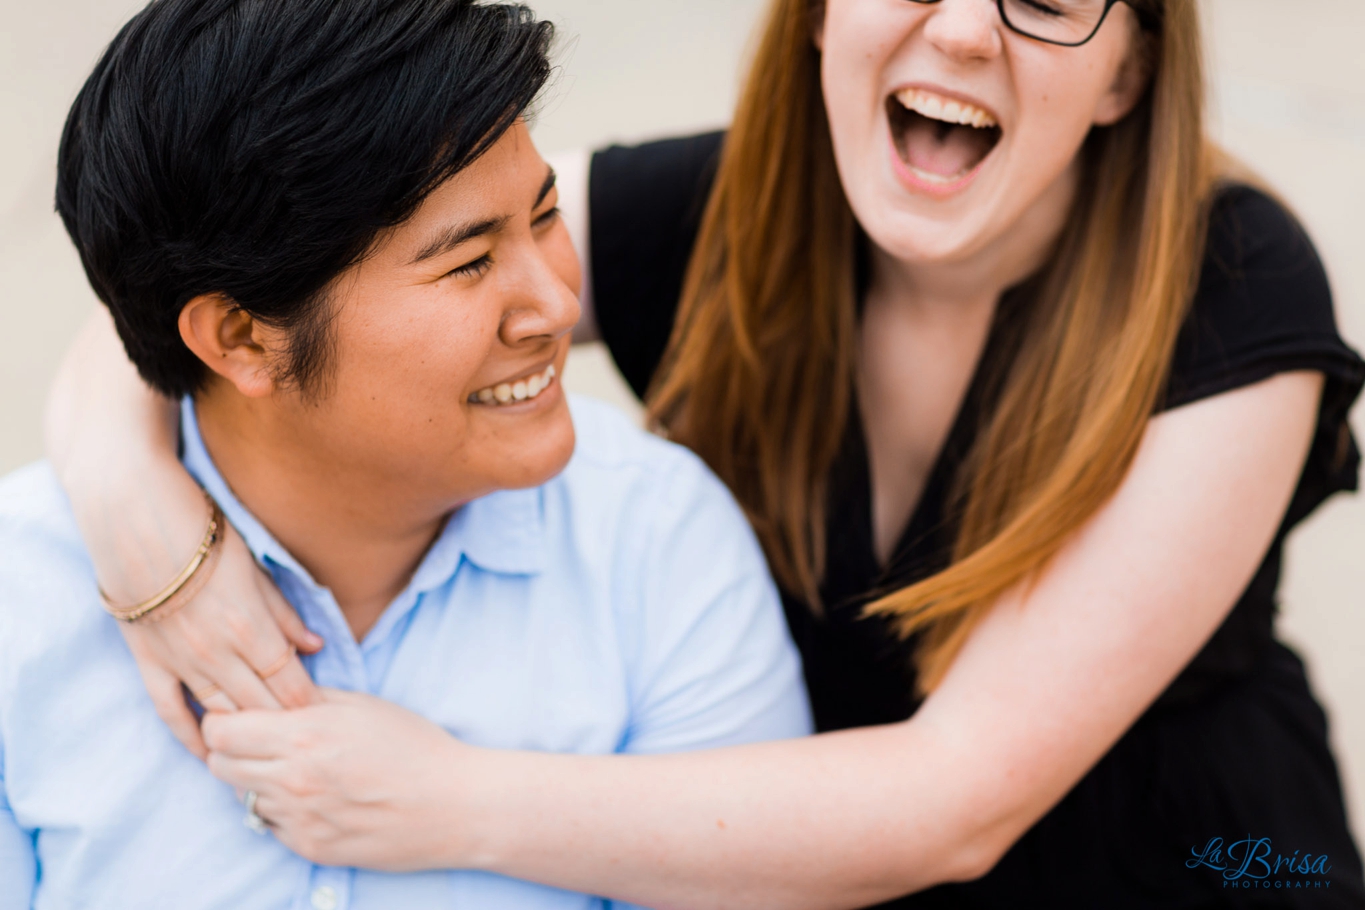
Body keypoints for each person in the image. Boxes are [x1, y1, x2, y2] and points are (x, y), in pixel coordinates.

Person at [43, 0, 1365, 907]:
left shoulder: (1232, 285)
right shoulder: (731, 213)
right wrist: (129, 502)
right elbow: (250, 253)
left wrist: (445, 800)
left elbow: (954, 799)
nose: (963, 25)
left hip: (1174, 861)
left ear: (1128, 71)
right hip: (768, 852)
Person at [0, 1, 814, 907]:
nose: (554, 306)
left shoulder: (658, 545)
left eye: (545, 217)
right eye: (469, 263)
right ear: (240, 337)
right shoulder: (23, 606)